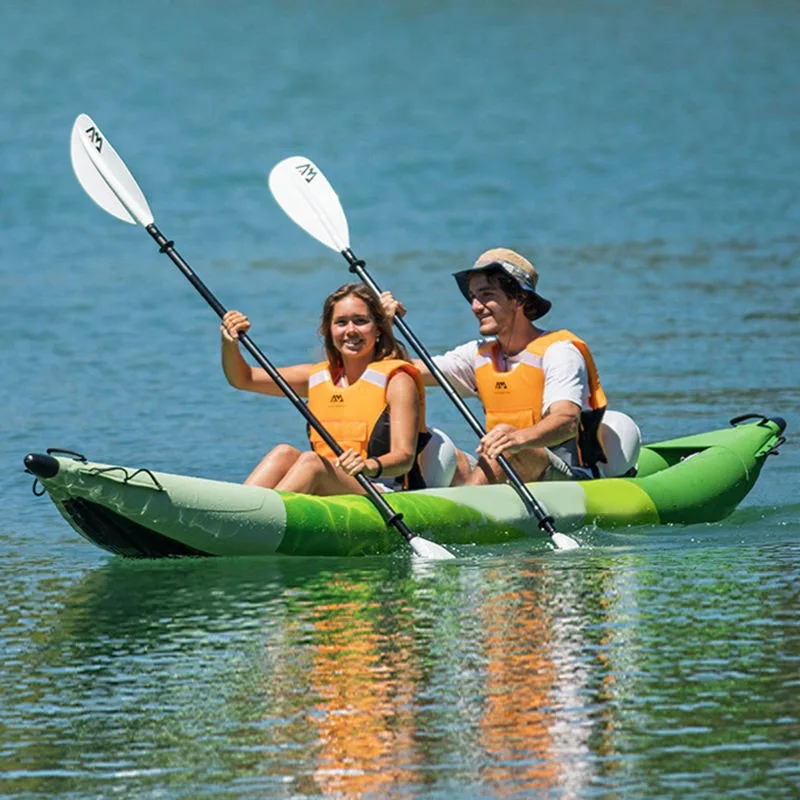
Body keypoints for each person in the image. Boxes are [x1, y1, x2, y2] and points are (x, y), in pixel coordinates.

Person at [382, 247, 640, 485]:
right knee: (439, 450)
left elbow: (566, 421)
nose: (476, 307)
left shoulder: (558, 352)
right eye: (473, 297)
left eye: (487, 295)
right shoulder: (478, 355)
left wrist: (516, 439)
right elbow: (402, 370)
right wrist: (382, 327)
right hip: (506, 465)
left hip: (567, 478)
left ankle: (466, 509)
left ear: (519, 299)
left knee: (504, 441)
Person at [220, 282, 460, 495]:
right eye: (341, 322)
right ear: (329, 330)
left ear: (378, 329)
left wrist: (368, 466)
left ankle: (257, 518)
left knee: (312, 463)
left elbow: (404, 458)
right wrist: (230, 343)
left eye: (360, 321)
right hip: (333, 484)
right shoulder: (316, 377)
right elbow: (244, 378)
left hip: (383, 491)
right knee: (283, 453)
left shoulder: (397, 381)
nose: (350, 330)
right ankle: (233, 511)